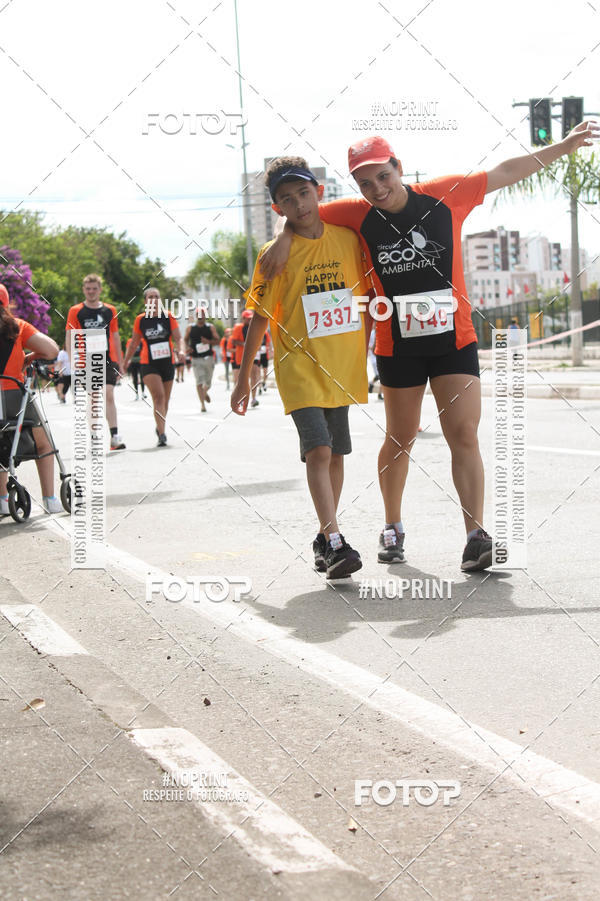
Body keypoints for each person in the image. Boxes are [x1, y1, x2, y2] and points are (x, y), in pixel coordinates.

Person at [261, 122, 599, 572]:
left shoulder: (445, 194)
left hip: (454, 339)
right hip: (397, 344)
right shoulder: (357, 214)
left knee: (463, 432)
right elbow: (302, 212)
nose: (376, 188)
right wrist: (284, 235)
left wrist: (562, 146)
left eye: (383, 175)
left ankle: (476, 535)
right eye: (365, 182)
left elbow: (505, 171)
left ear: (398, 167)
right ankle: (392, 526)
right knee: (401, 438)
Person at [231, 156, 371, 579]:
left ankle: (324, 535)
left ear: (319, 192)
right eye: (287, 200)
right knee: (319, 448)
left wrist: (368, 352)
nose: (298, 204)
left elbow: (366, 300)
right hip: (298, 366)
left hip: (341, 366)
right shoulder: (272, 256)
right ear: (277, 209)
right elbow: (258, 315)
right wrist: (244, 379)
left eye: (304, 194)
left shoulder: (349, 239)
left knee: (337, 454)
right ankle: (334, 540)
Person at [0, 283, 62, 514]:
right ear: (7, 304)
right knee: (43, 443)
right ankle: (50, 499)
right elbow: (52, 350)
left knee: (0, 444)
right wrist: (29, 356)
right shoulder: (17, 326)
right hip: (15, 396)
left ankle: (4, 500)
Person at [66, 273, 126, 450]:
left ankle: (114, 436)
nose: (91, 292)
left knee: (109, 395)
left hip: (107, 359)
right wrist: (72, 363)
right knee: (94, 400)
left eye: (94, 289)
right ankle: (94, 437)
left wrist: (120, 363)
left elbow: (115, 337)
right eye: (88, 289)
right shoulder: (75, 311)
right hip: (87, 360)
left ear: (100, 290)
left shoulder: (109, 310)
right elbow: (70, 336)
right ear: (84, 290)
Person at [122, 287, 184, 446]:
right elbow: (134, 343)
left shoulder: (168, 316)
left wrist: (181, 350)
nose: (154, 300)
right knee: (159, 397)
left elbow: (178, 337)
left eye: (157, 297)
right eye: (150, 297)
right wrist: (125, 361)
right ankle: (162, 434)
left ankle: (159, 426)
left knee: (166, 401)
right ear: (145, 301)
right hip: (148, 363)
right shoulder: (141, 320)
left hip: (167, 362)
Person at [185, 309, 220, 413]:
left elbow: (218, 340)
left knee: (208, 382)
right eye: (198, 314)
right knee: (199, 382)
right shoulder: (190, 328)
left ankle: (204, 392)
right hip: (196, 358)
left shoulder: (210, 327)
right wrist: (187, 347)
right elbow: (185, 339)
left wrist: (208, 342)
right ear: (196, 315)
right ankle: (202, 405)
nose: (200, 316)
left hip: (208, 358)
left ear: (205, 316)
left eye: (202, 314)